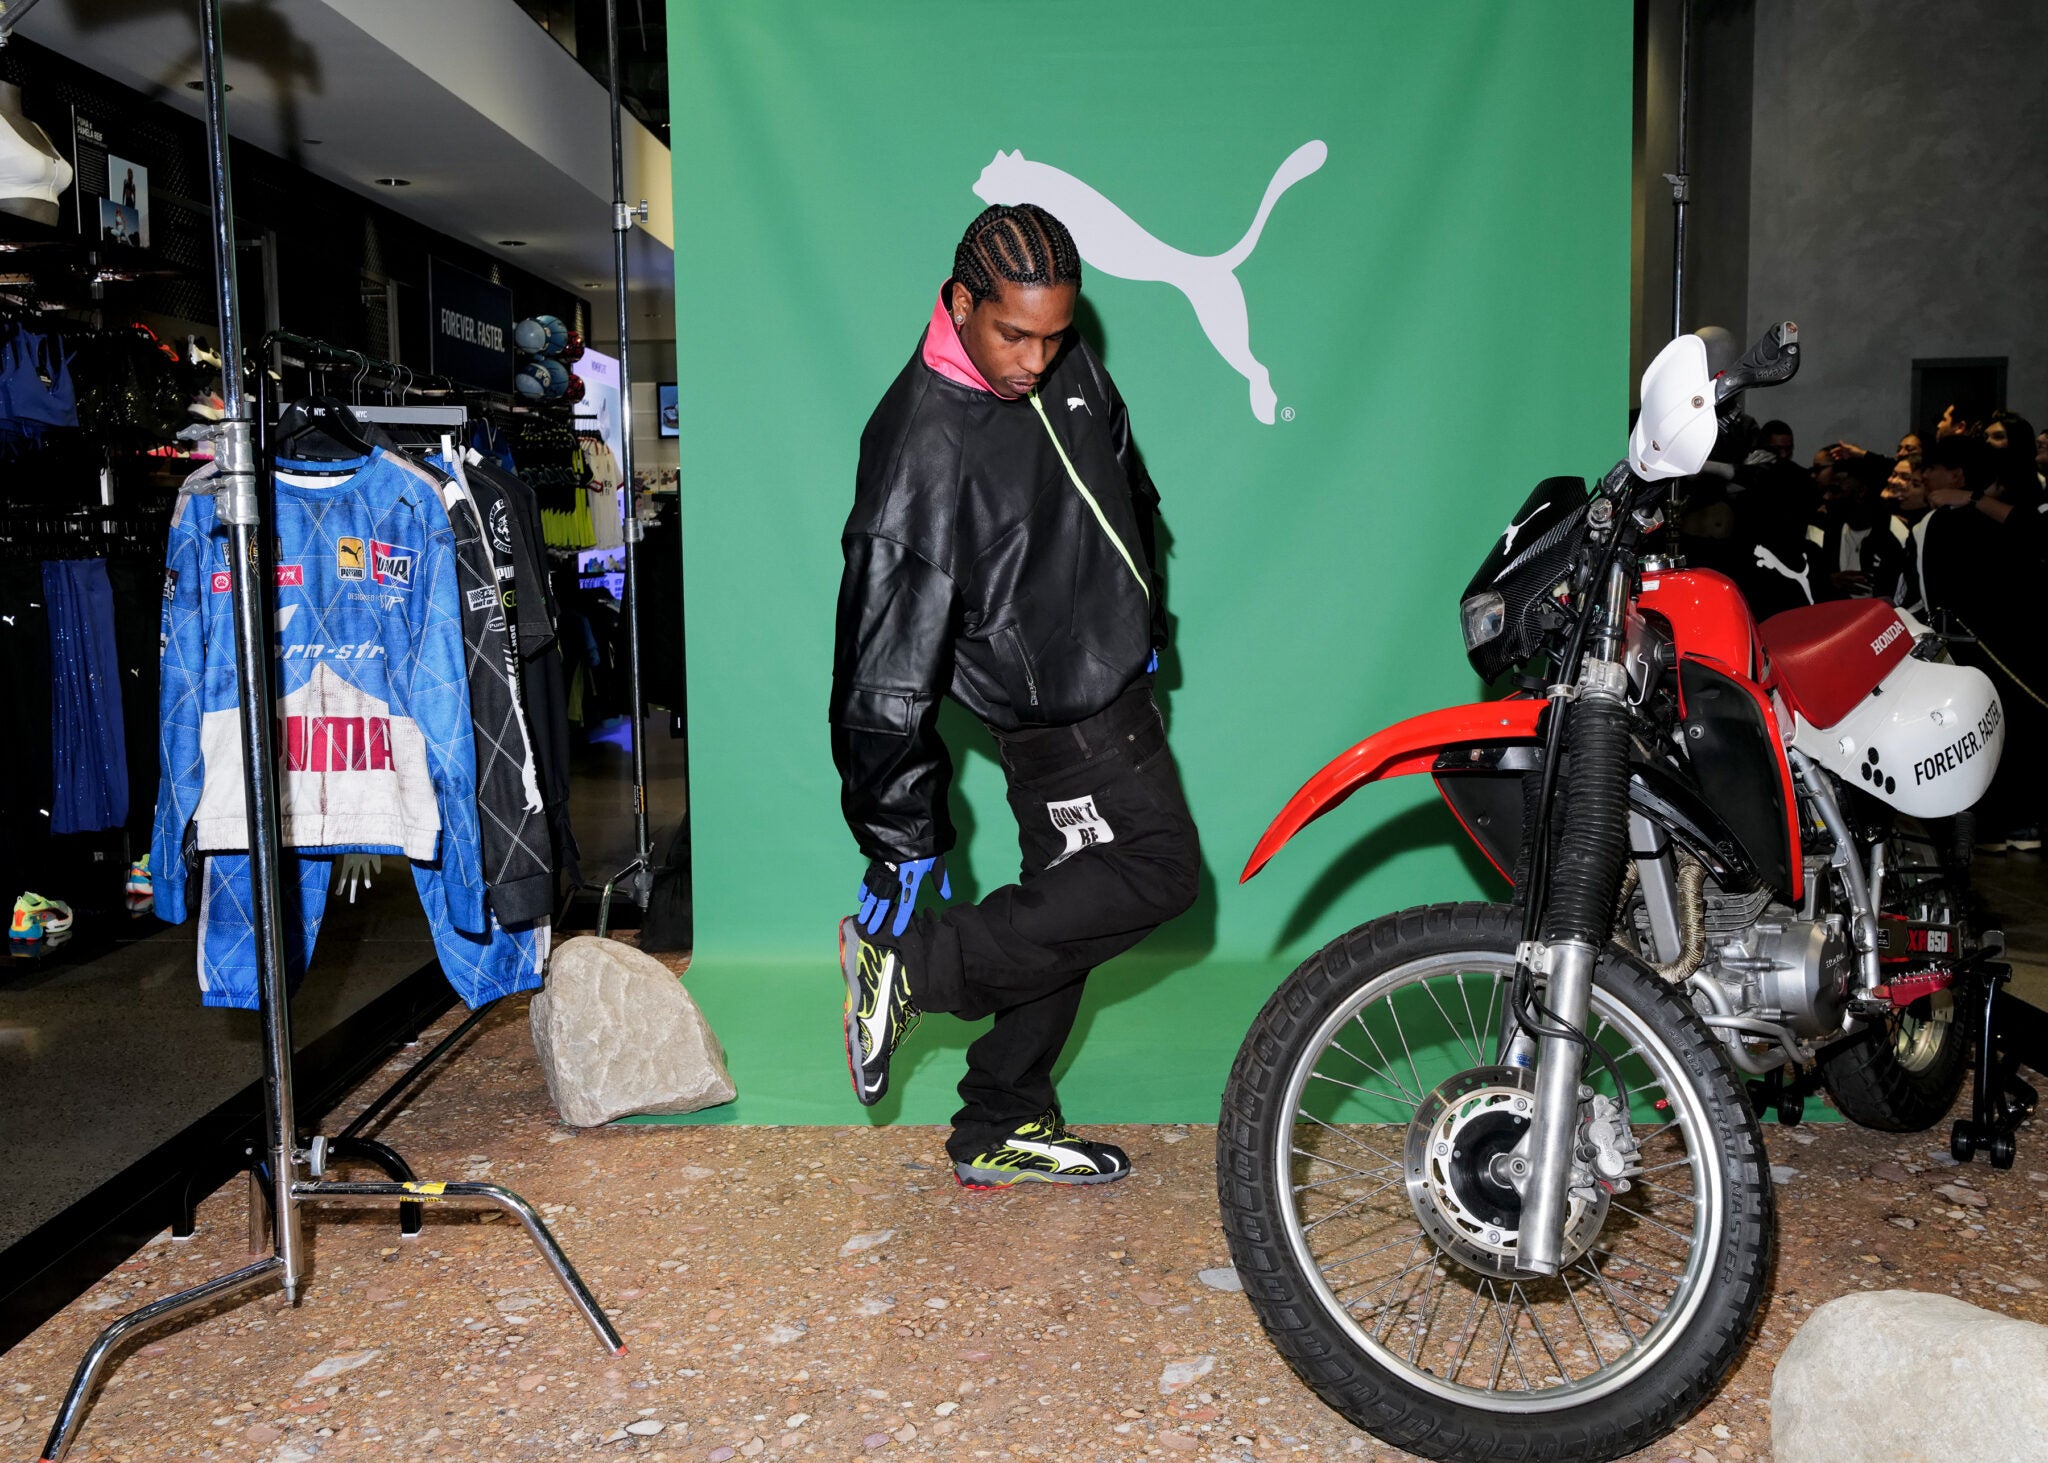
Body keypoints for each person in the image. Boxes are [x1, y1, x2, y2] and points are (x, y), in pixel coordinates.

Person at [830, 203, 1200, 1187]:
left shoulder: (1060, 364)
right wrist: (901, 839)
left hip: (1107, 687)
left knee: (1062, 911)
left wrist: (1143, 619)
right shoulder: (919, 441)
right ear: (961, 302)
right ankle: (914, 963)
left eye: (1053, 333)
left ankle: (1002, 1116)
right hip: (1064, 722)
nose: (1036, 358)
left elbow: (1125, 485)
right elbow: (881, 673)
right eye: (1013, 333)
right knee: (1157, 875)